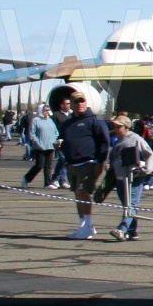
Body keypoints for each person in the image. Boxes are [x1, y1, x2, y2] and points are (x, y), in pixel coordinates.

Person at [51, 86, 110, 240]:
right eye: (76, 102)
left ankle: (89, 226)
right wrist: (60, 146)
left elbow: (104, 142)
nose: (80, 104)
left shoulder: (94, 120)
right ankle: (83, 225)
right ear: (71, 104)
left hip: (89, 162)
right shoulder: (68, 123)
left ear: (86, 102)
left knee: (83, 192)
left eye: (82, 101)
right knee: (78, 194)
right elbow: (63, 139)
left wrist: (100, 162)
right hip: (72, 163)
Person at [105, 116, 153, 241]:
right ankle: (133, 231)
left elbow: (149, 154)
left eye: (118, 126)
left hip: (134, 178)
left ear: (126, 127)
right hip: (120, 178)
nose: (115, 129)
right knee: (127, 205)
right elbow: (114, 157)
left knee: (131, 204)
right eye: (114, 126)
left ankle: (122, 229)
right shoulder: (118, 141)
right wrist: (109, 165)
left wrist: (146, 170)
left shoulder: (135, 139)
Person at [23, 104, 58, 187]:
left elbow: (56, 132)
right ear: (40, 110)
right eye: (45, 110)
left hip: (50, 146)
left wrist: (56, 140)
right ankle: (27, 178)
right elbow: (32, 133)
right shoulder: (36, 120)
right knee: (39, 166)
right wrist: (37, 142)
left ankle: (48, 183)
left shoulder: (50, 120)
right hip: (40, 147)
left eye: (48, 110)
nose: (47, 112)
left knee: (48, 166)